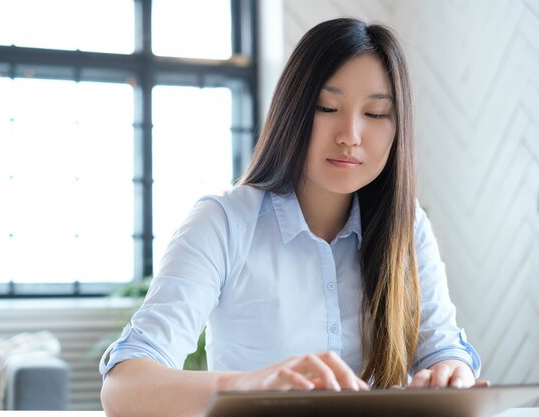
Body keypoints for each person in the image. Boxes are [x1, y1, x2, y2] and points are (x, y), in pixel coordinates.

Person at [99, 17, 485, 417]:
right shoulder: (223, 222)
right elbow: (124, 389)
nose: (351, 134)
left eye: (374, 114)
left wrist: (449, 374)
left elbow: (444, 351)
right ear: (293, 111)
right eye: (327, 107)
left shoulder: (407, 227)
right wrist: (252, 385)